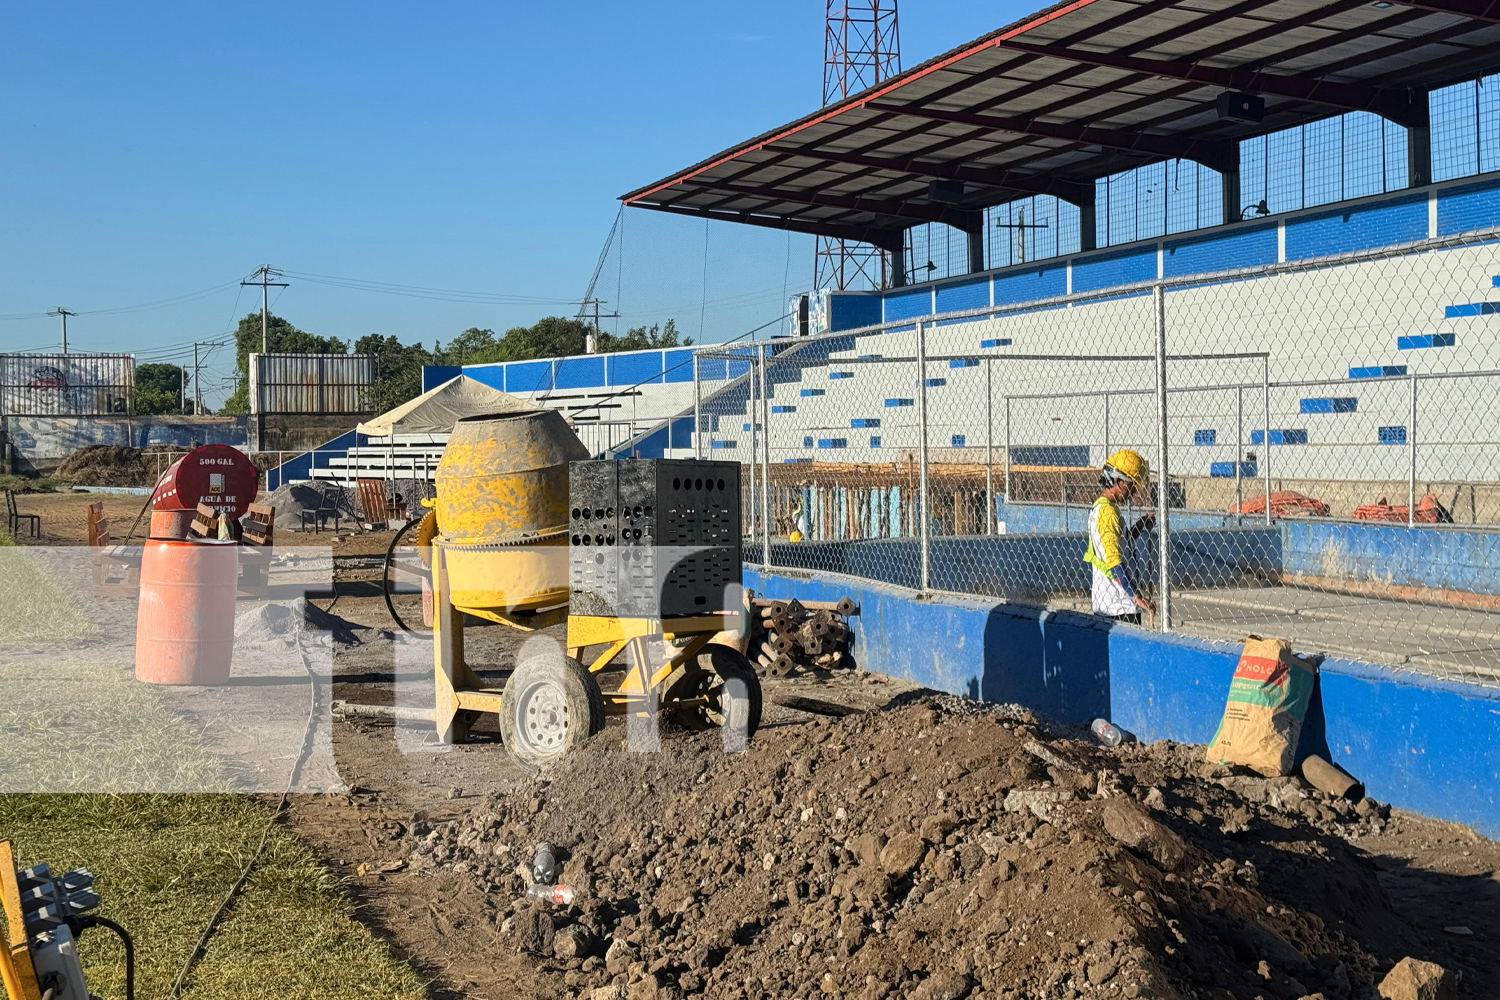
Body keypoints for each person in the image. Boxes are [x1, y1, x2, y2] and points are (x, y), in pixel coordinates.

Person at [1083, 448, 1158, 624]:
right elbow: (1114, 561)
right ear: (1118, 481)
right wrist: (1136, 596)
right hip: (1118, 606)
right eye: (1131, 486)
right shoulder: (1108, 512)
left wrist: (1139, 526)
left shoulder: (1103, 508)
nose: (1132, 494)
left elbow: (1121, 542)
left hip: (1111, 603)